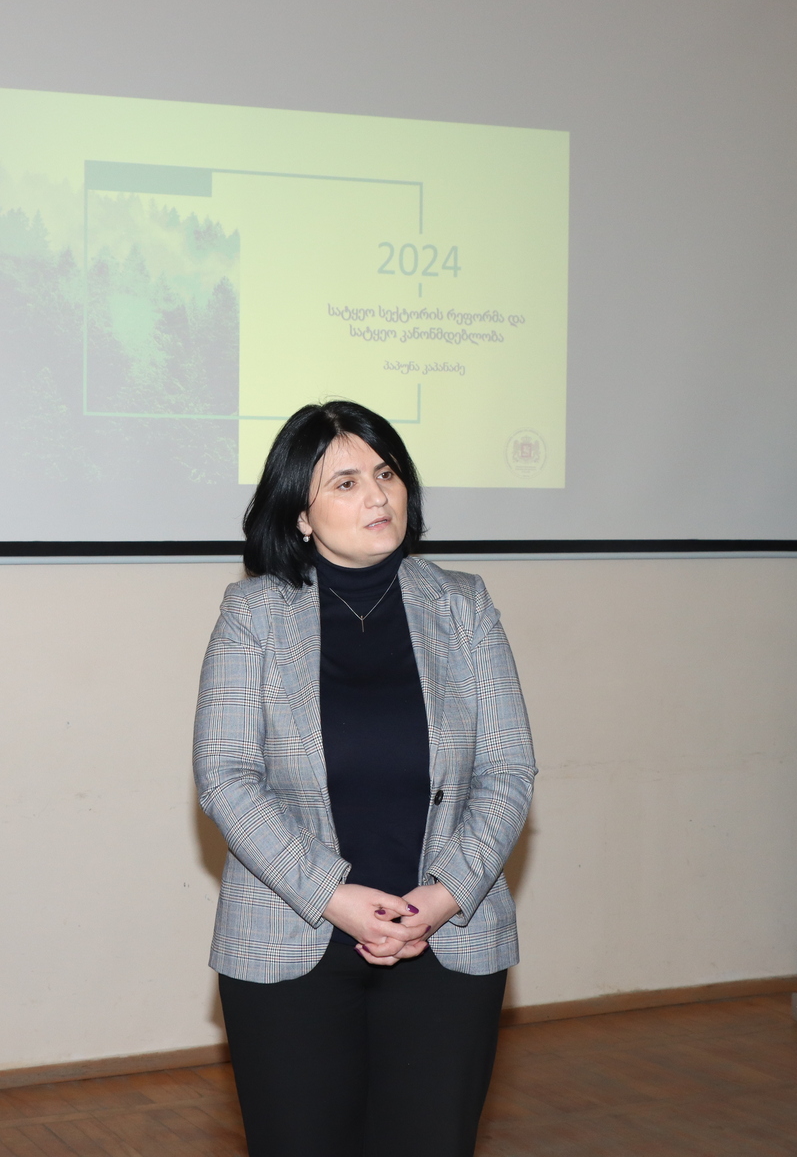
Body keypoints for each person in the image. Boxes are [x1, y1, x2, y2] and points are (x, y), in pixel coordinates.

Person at [194, 400, 537, 1156]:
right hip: (292, 939)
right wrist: (335, 896)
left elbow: (509, 771)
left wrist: (441, 898)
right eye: (345, 483)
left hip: (447, 940)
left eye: (386, 474)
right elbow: (226, 778)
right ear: (301, 515)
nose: (378, 496)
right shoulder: (252, 613)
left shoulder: (463, 605)